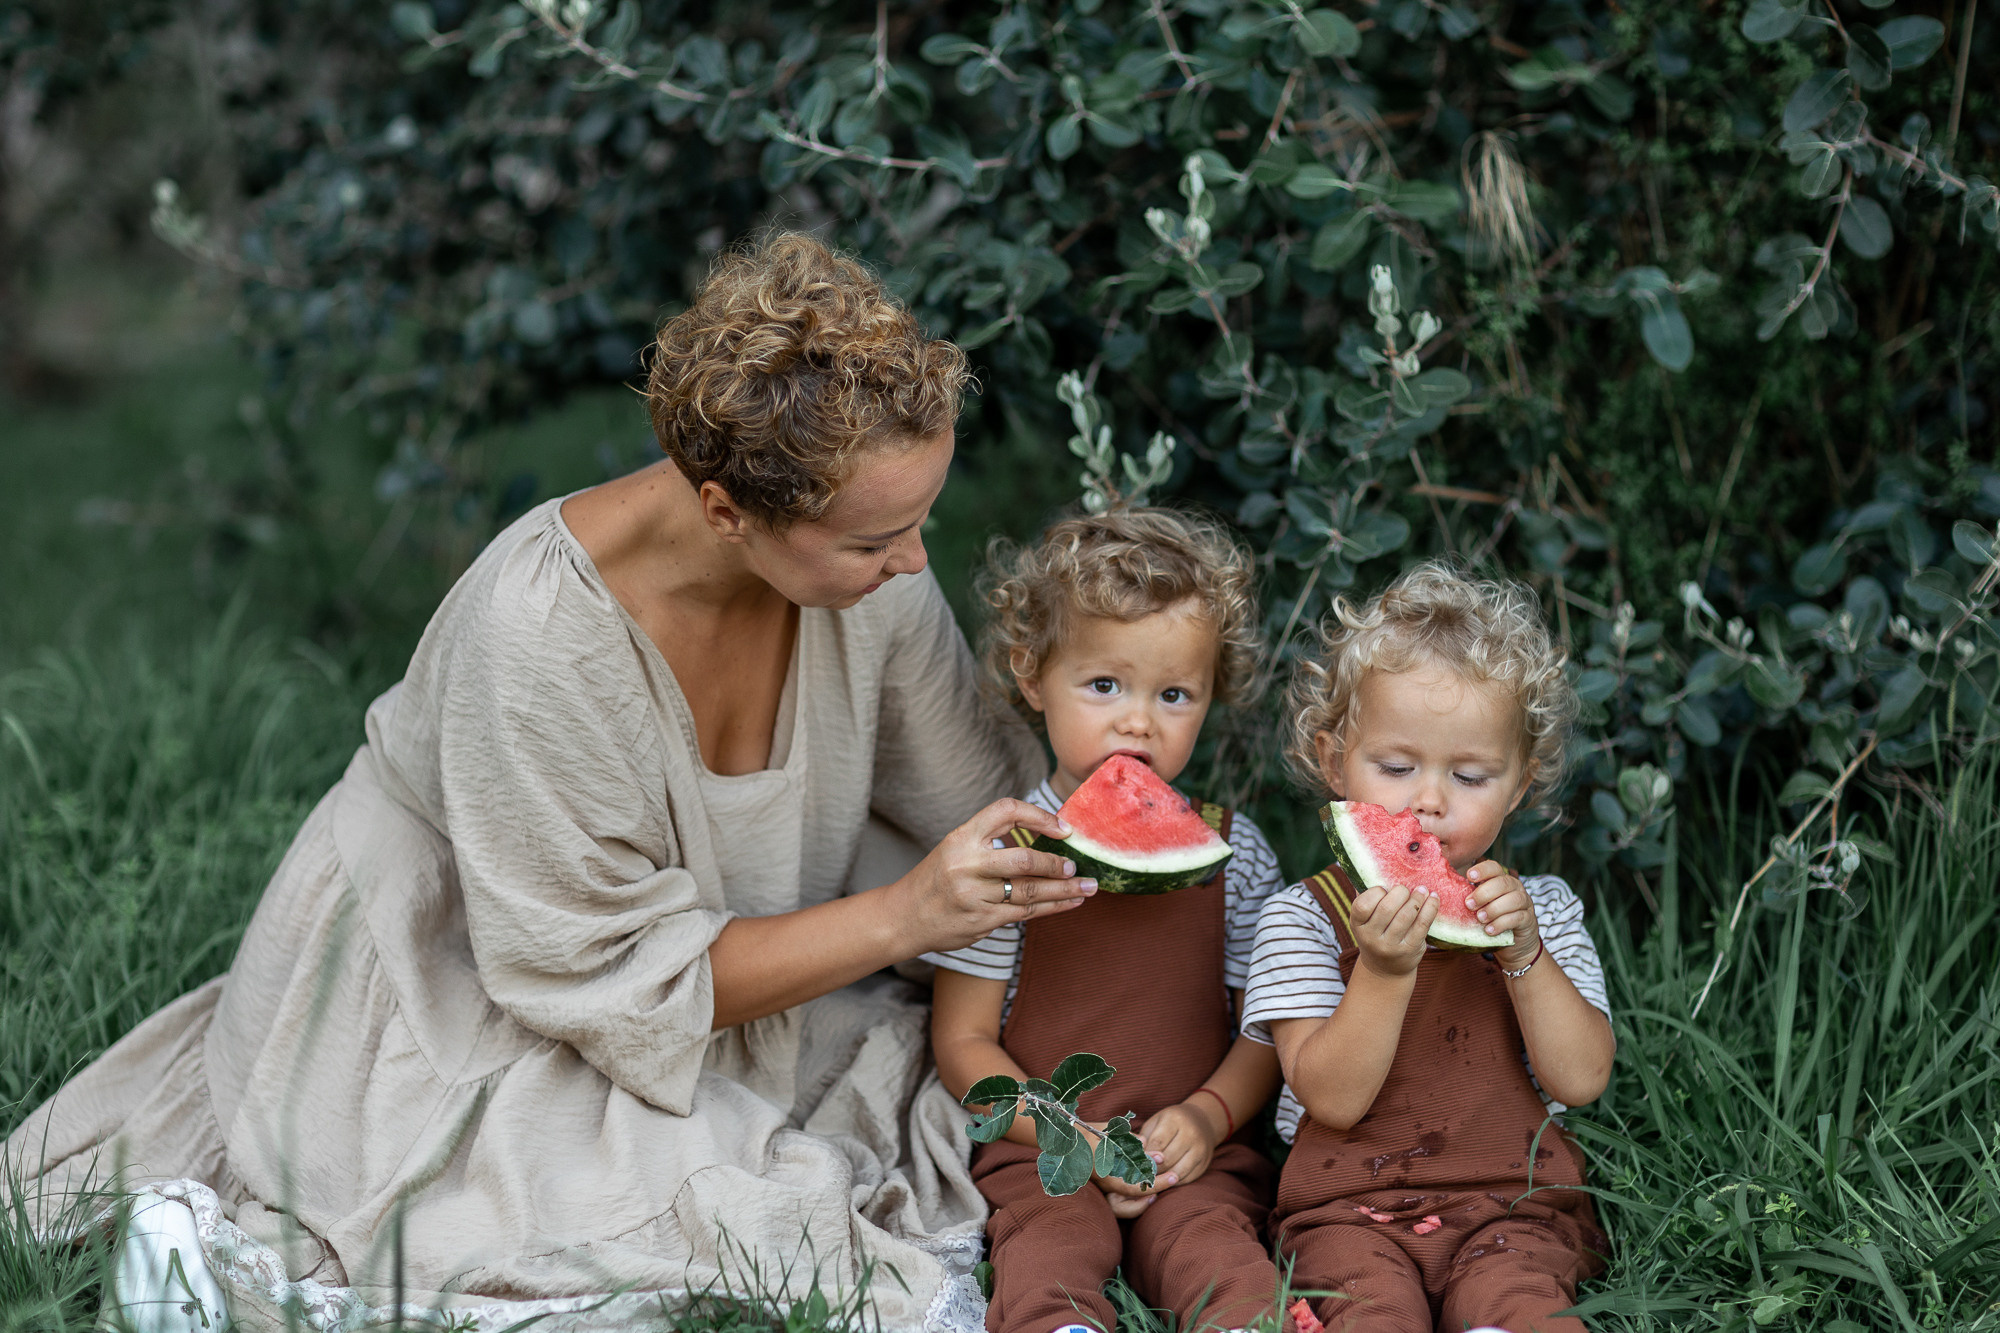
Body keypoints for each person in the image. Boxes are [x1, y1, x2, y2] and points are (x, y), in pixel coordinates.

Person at [4, 233, 1095, 1331]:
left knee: (884, 1101)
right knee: (629, 1207)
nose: (914, 562)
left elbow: (975, 790)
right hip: (481, 971)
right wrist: (903, 913)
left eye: (921, 522)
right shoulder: (535, 638)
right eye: (878, 539)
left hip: (696, 963)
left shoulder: (874, 584)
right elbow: (602, 978)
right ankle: (205, 1266)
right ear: (726, 512)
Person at [927, 509, 1287, 1333]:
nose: (1138, 721)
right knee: (1049, 1247)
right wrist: (1069, 1136)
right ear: (1031, 675)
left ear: (1210, 696)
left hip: (1194, 1150)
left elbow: (1265, 1030)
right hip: (1040, 1145)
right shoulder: (1006, 854)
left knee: (1217, 1249)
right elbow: (963, 1042)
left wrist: (1208, 1115)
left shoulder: (1238, 852)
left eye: (1174, 694)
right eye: (1104, 685)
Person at [1243, 561, 1614, 1333]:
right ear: (1333, 758)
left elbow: (1579, 1080)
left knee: (1520, 1306)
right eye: (1397, 766)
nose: (1430, 801)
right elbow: (1333, 1097)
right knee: (1370, 1311)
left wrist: (1524, 954)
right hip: (1346, 1212)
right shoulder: (1301, 918)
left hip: (1517, 1208)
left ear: (1520, 784)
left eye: (1471, 774)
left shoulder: (1540, 910)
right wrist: (1381, 969)